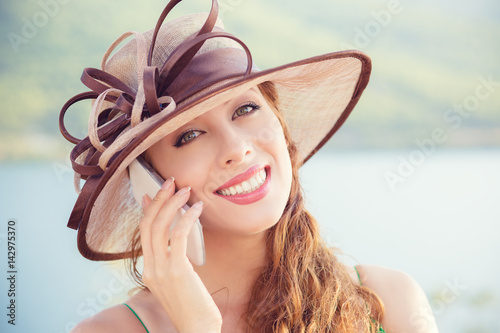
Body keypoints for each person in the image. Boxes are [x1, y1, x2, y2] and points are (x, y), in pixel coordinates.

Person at [60, 0, 438, 332]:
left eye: (245, 109)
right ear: (150, 181)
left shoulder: (388, 303)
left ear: (280, 123)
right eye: (189, 136)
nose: (237, 149)